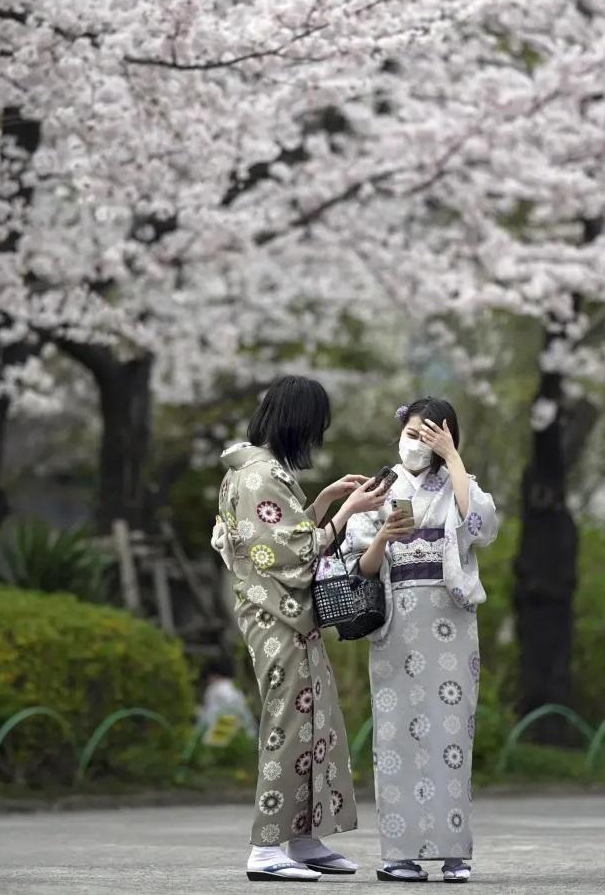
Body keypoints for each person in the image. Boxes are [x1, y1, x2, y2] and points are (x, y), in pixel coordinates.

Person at [213, 375, 389, 882]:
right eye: (314, 428)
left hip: (285, 616)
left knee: (313, 720)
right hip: (277, 617)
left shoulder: (254, 470)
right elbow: (292, 552)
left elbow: (284, 538)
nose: (314, 439)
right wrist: (349, 510)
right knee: (289, 722)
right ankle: (266, 848)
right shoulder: (259, 477)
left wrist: (329, 499)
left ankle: (304, 839)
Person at [343, 397, 498, 884]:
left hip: (450, 621)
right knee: (396, 738)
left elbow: (483, 528)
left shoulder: (458, 484)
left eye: (428, 434)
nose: (416, 442)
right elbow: (359, 569)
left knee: (452, 733)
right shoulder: (382, 487)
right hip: (397, 626)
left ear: (447, 435)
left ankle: (455, 852)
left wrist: (453, 460)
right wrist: (383, 538)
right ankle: (399, 853)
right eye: (410, 432)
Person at [197, 658, 257, 740]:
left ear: (214, 675)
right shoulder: (236, 689)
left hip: (222, 737)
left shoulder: (214, 689)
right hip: (245, 736)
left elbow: (209, 717)